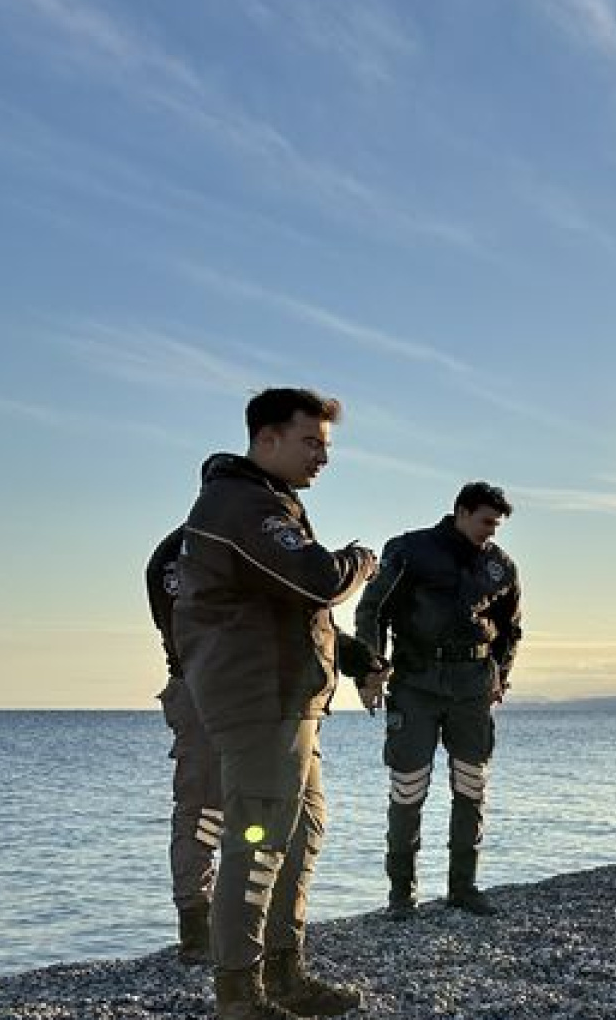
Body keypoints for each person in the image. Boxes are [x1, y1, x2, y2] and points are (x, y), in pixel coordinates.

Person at [173, 388, 379, 1019]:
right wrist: (360, 563)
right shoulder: (239, 504)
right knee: (258, 840)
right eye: (310, 441)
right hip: (259, 703)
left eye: (326, 445)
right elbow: (318, 578)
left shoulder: (271, 503)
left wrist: (350, 659)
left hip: (292, 700)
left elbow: (293, 606)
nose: (322, 456)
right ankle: (239, 993)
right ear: (266, 439)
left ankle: (286, 974)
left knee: (301, 833)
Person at [352, 482, 522, 920]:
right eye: (486, 522)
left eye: (497, 526)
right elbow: (372, 611)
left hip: (473, 689)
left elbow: (511, 630)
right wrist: (370, 670)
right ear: (462, 512)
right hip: (416, 683)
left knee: (471, 786)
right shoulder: (410, 550)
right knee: (408, 789)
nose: (492, 533)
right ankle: (400, 896)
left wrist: (500, 675)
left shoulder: (501, 568)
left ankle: (463, 888)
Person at [146, 525, 223, 965]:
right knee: (203, 809)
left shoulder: (176, 550)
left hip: (225, 687)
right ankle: (197, 928)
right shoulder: (178, 552)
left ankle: (230, 921)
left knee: (243, 809)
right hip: (202, 688)